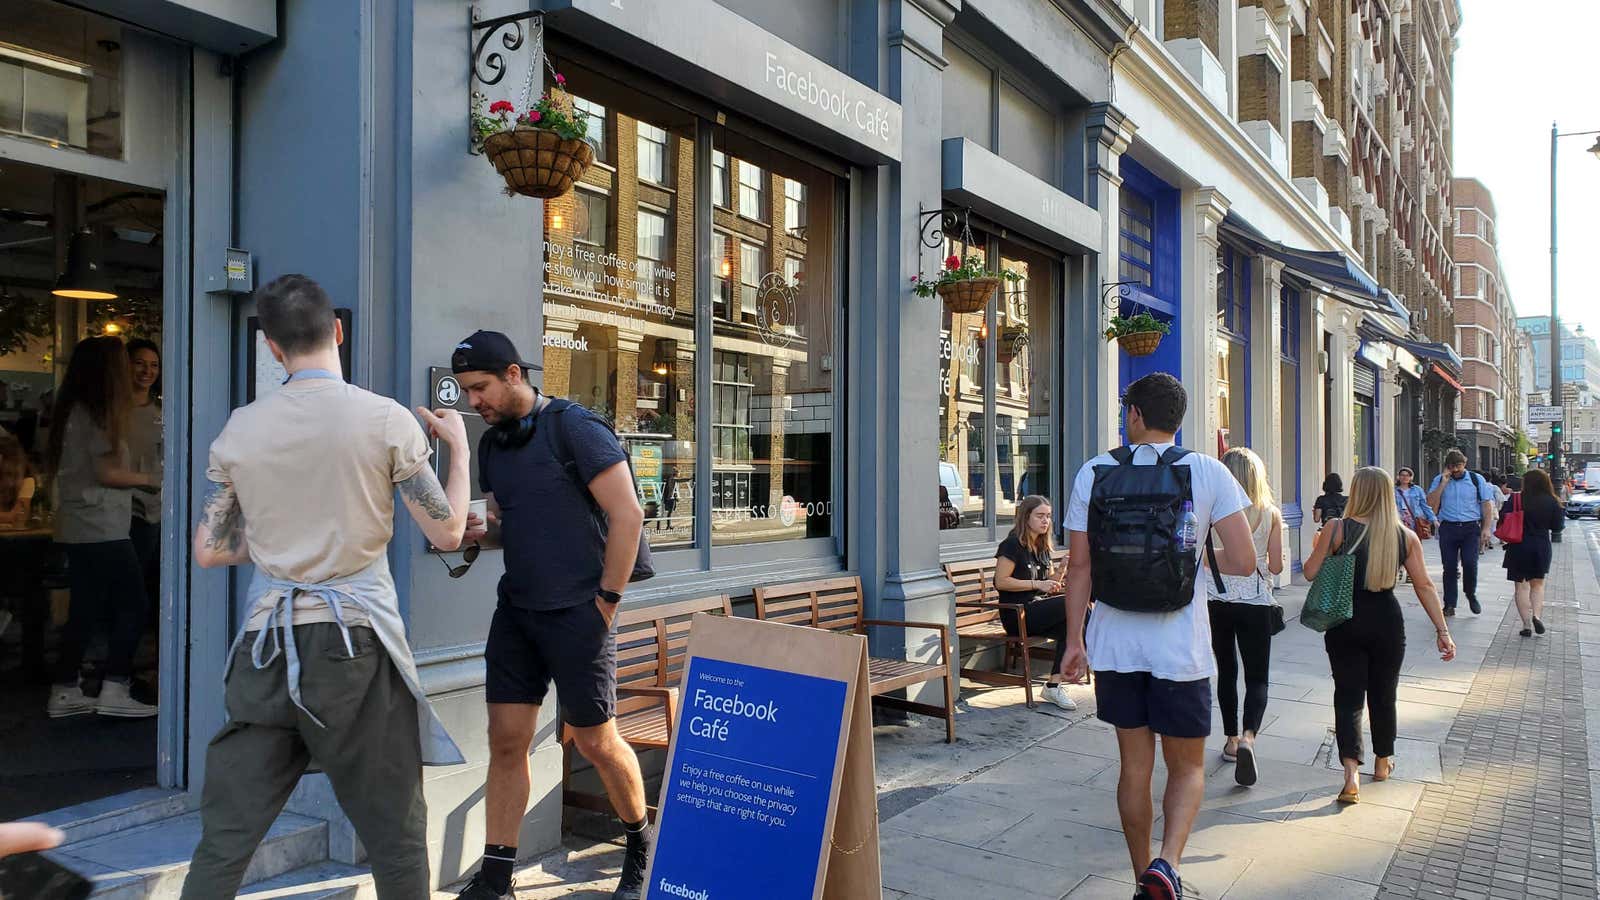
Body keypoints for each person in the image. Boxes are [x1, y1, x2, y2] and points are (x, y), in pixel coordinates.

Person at [181, 275, 472, 899]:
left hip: (264, 648)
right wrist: (461, 452)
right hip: (353, 649)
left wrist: (283, 537)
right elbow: (447, 534)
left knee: (225, 842)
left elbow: (209, 549)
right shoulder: (385, 420)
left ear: (270, 347)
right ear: (336, 331)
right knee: (395, 836)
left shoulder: (240, 429)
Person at [450, 331, 650, 900]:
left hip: (578, 613)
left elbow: (628, 515)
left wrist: (605, 604)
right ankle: (495, 879)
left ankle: (639, 842)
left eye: (481, 388)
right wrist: (477, 534)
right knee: (506, 741)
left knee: (595, 741)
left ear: (514, 374)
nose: (474, 402)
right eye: (467, 391)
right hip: (518, 612)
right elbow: (508, 525)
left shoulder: (575, 429)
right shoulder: (493, 446)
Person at [1060, 373, 1257, 900]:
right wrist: (1192, 555)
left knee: (1133, 767)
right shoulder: (1207, 472)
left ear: (1134, 417)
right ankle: (1167, 866)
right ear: (1178, 419)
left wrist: (1074, 641)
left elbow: (1078, 568)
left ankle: (1139, 874)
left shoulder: (1095, 471)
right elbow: (1244, 560)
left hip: (1115, 645)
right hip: (1181, 651)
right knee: (1188, 767)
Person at [1304, 467, 1454, 804]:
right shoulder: (1404, 536)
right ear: (1388, 494)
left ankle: (1350, 775)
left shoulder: (1336, 528)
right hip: (1387, 621)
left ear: (1356, 492)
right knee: (1384, 695)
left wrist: (1322, 547)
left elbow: (1311, 572)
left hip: (1344, 621)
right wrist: (1442, 631)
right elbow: (1425, 586)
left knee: (1348, 697)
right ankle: (1383, 761)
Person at [45, 337, 159, 719]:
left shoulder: (73, 409)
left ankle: (65, 688)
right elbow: (107, 472)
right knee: (134, 604)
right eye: (124, 363)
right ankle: (115, 685)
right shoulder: (99, 413)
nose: (131, 371)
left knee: (86, 607)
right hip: (102, 526)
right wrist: (153, 479)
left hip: (79, 524)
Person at [1205, 447, 1283, 788]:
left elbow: (1201, 556)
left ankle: (1231, 740)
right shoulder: (1271, 514)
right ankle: (1250, 736)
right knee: (1258, 677)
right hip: (1256, 601)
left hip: (1216, 600)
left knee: (1226, 671)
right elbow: (1277, 567)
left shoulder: (1212, 513)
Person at [993, 494, 1075, 711]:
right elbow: (1001, 582)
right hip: (1016, 614)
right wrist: (1037, 585)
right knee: (1075, 605)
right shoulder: (1012, 545)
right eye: (1040, 516)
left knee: (1073, 624)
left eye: (1048, 516)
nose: (1045, 521)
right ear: (1025, 517)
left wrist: (1061, 569)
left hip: (1037, 610)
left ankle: (1054, 685)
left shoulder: (1042, 547)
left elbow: (1048, 585)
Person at [1426, 449, 1497, 616]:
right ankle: (1449, 604)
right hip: (1448, 528)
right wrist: (1443, 484)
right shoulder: (1439, 480)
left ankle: (1470, 594)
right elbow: (1431, 505)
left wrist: (1486, 528)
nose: (1455, 470)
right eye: (1451, 466)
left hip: (1470, 528)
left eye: (1458, 466)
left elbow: (1486, 505)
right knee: (1449, 567)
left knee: (1470, 563)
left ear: (1464, 464)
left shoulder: (1476, 479)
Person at [1502, 468, 1564, 637]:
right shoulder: (1552, 501)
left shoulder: (1516, 499)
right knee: (1537, 585)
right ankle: (1537, 615)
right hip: (1541, 546)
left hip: (1518, 546)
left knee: (1521, 586)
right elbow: (1557, 527)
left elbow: (1502, 518)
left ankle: (1526, 624)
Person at [126, 338, 163, 619]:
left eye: (153, 365)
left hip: (157, 509)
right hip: (121, 508)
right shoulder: (112, 411)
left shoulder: (165, 412)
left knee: (151, 584)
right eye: (139, 363)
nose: (146, 371)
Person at [0, 433, 34, 528]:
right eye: (1, 474)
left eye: (13, 475)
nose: (9, 482)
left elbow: (18, 517)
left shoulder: (27, 481)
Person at [1393, 467, 1436, 540]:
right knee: (1400, 541)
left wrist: (1433, 519)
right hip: (1399, 519)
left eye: (1407, 475)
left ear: (1411, 478)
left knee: (1415, 541)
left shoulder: (1417, 490)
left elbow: (1424, 506)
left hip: (1414, 519)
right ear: (1398, 477)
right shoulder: (1393, 490)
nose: (1405, 477)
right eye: (1402, 475)